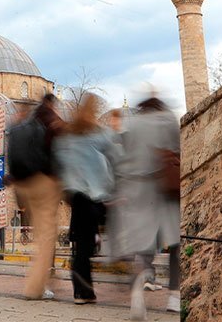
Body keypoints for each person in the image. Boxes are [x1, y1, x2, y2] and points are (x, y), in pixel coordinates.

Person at [115, 94, 181, 320]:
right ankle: (174, 296)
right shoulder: (168, 120)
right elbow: (177, 150)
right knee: (175, 244)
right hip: (164, 189)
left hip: (138, 192)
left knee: (143, 247)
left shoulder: (133, 125)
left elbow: (124, 160)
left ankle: (137, 296)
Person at [52, 93, 117, 305]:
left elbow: (59, 161)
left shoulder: (66, 138)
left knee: (82, 244)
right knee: (86, 245)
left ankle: (83, 291)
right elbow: (114, 148)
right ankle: (83, 290)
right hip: (92, 195)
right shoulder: (96, 134)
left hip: (74, 195)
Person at [5, 93, 63, 300]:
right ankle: (35, 287)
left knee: (41, 236)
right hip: (42, 183)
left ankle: (42, 282)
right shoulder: (49, 122)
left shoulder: (16, 129)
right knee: (47, 238)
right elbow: (54, 154)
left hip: (23, 185)